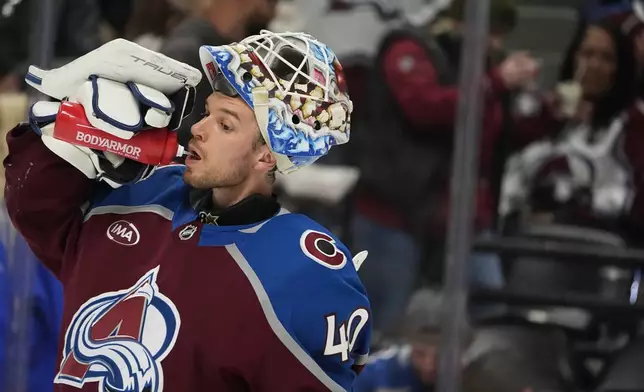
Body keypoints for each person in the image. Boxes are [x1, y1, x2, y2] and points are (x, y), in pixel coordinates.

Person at [6, 30, 371, 391]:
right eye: (208, 113)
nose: (197, 128)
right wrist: (61, 142)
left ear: (268, 154)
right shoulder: (139, 194)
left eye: (225, 124)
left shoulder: (301, 273)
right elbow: (35, 213)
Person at [353, 0, 537, 336]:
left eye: (499, 33)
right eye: (490, 29)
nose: (495, 42)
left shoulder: (464, 62)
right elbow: (426, 106)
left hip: (451, 213)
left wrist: (544, 114)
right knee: (383, 325)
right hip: (395, 209)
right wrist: (495, 81)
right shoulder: (408, 46)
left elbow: (491, 135)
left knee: (489, 314)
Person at [161, 0, 279, 146]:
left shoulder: (232, 58)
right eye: (271, 2)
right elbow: (173, 140)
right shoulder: (187, 54)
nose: (273, 12)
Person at [353, 288, 471, 391]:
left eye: (440, 356)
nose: (429, 365)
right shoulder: (373, 375)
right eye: (420, 353)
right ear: (409, 344)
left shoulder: (477, 377)